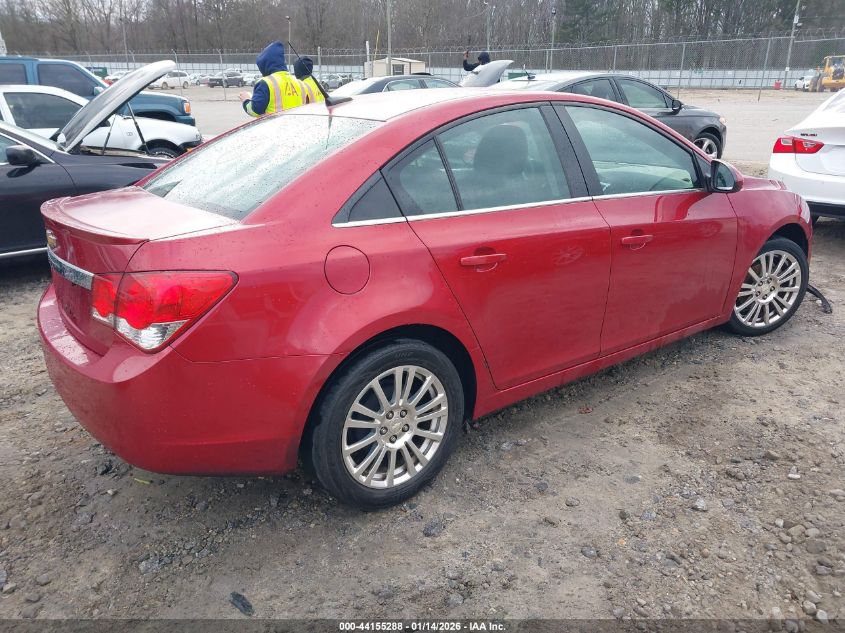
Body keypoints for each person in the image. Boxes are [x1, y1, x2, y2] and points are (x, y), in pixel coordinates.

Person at [238, 41, 305, 116]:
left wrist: (246, 100)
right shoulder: (299, 83)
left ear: (265, 65)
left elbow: (255, 111)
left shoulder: (265, 83)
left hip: (274, 126)